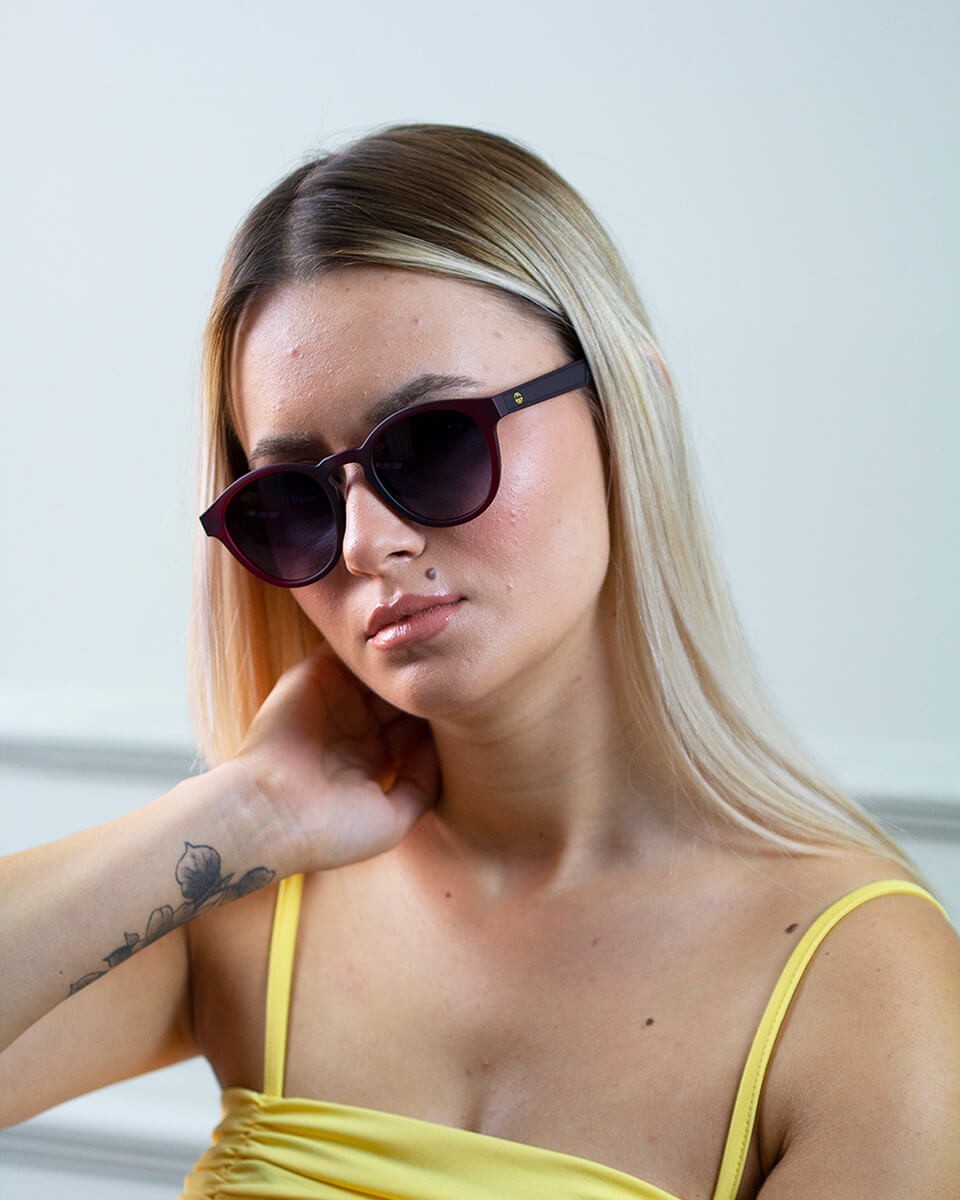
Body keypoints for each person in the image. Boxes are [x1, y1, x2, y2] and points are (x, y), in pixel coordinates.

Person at [1, 123, 958, 1199]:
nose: (365, 544)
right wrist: (245, 810)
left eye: (431, 444)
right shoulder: (250, 894)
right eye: (295, 500)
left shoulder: (860, 987)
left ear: (628, 410)